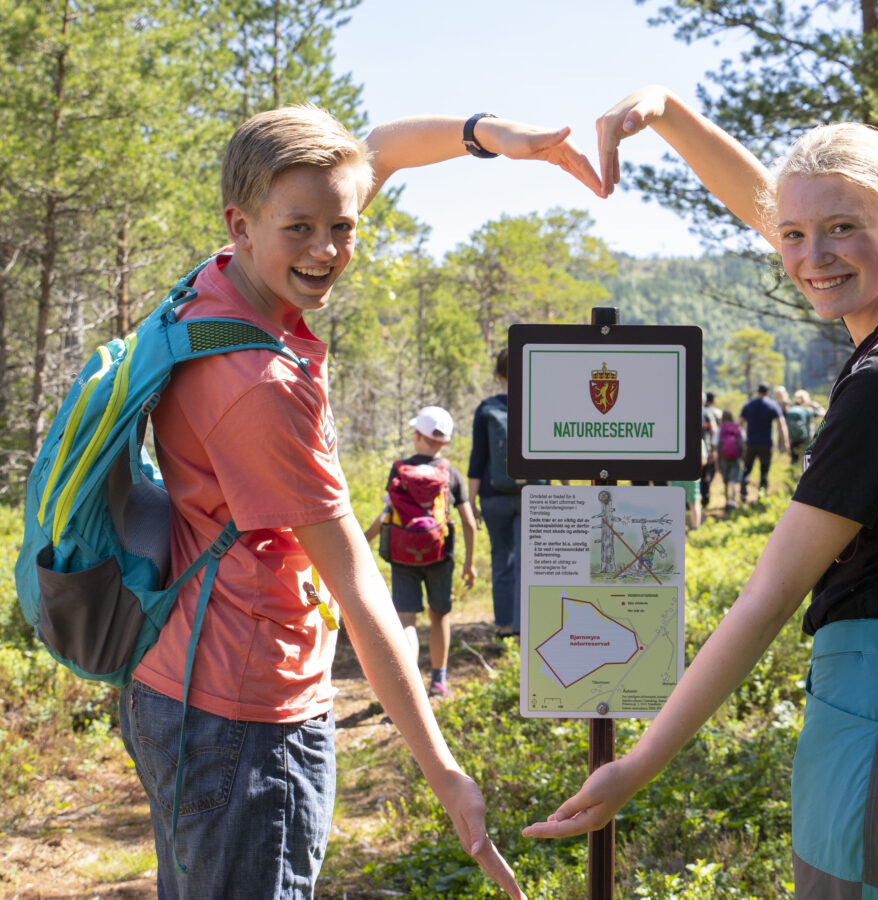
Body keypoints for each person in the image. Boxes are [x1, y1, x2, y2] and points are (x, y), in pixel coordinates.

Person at [524, 86, 878, 900]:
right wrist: (668, 115)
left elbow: (769, 596)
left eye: (841, 230)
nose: (810, 256)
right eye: (794, 236)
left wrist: (640, 764)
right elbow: (796, 218)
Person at [121, 103, 601, 900]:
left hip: (178, 678)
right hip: (247, 720)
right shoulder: (261, 386)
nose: (327, 251)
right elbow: (361, 594)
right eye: (302, 230)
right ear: (241, 223)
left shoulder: (215, 290)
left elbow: (376, 151)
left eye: (341, 228)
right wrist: (446, 774)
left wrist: (496, 138)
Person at [364, 406, 475, 698]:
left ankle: (408, 687)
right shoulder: (451, 473)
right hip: (440, 555)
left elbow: (387, 513)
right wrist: (469, 565)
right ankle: (438, 682)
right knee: (439, 616)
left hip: (402, 553)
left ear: (417, 436)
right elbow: (469, 523)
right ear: (445, 441)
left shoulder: (400, 470)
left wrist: (364, 540)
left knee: (407, 621)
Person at [468, 348, 531, 639]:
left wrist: (470, 500)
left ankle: (505, 625)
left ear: (498, 374)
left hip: (493, 495)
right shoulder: (537, 405)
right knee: (529, 562)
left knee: (501, 557)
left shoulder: (486, 408)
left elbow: (477, 459)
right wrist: (567, 490)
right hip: (535, 494)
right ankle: (525, 626)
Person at [739, 381, 789, 503]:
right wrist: (785, 442)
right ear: (768, 392)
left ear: (758, 391)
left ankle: (743, 493)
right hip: (766, 443)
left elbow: (739, 424)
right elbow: (781, 425)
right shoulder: (772, 405)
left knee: (747, 468)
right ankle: (762, 496)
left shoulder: (749, 405)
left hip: (750, 443)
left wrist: (741, 441)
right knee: (764, 470)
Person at [714, 409, 744, 509]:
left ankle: (726, 501)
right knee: (734, 480)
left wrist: (717, 459)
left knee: (726, 480)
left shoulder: (720, 429)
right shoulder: (737, 428)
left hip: (724, 457)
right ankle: (733, 501)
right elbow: (743, 442)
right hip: (736, 457)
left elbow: (715, 444)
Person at [699, 391, 722, 507]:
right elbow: (714, 431)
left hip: (689, 453)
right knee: (705, 476)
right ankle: (705, 500)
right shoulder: (707, 413)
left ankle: (688, 502)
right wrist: (714, 450)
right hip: (705, 450)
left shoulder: (686, 411)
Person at [785, 389, 820, 465]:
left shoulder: (792, 409)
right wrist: (816, 406)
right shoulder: (809, 410)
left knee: (794, 459)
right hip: (806, 439)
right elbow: (824, 415)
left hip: (793, 438)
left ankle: (793, 474)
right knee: (806, 460)